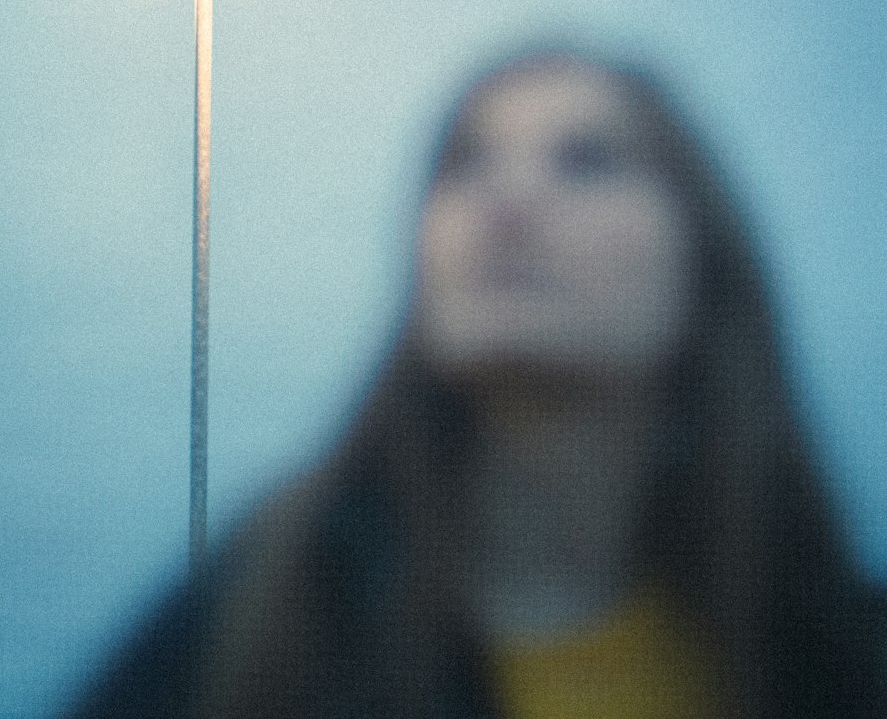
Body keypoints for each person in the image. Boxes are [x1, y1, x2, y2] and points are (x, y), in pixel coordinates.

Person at [64, 41, 884, 719]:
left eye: (588, 159)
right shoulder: (265, 612)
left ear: (703, 264)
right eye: (464, 162)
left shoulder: (833, 656)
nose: (507, 197)